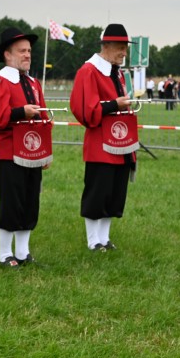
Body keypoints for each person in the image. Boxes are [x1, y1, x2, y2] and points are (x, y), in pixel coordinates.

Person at [0, 28, 50, 268]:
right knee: (12, 201)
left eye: (29, 51)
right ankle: (4, 253)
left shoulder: (33, 82)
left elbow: (42, 117)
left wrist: (45, 151)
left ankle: (23, 251)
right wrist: (21, 112)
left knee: (30, 201)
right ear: (7, 54)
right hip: (9, 150)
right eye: (22, 51)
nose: (27, 55)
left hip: (32, 150)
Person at [69, 23, 138, 252]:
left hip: (120, 142)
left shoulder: (116, 72)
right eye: (120, 47)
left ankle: (105, 238)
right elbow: (84, 109)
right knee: (98, 192)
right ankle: (92, 240)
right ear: (106, 45)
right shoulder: (88, 71)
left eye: (125, 48)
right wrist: (113, 105)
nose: (124, 53)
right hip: (100, 144)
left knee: (114, 193)